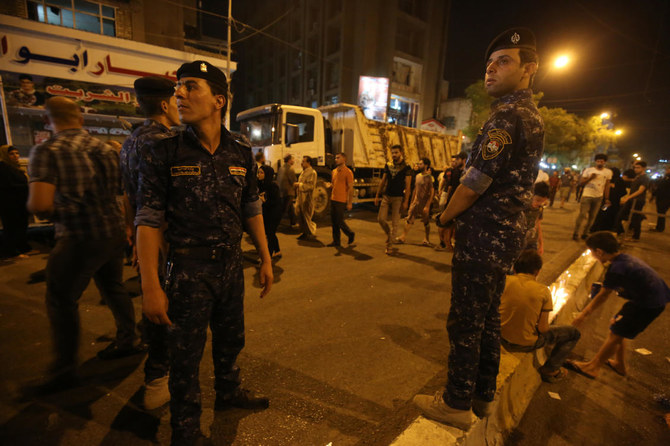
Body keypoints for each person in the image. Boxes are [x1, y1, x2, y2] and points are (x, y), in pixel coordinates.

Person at [135, 61, 273, 445]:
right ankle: (186, 429)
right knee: (186, 356)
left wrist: (264, 258)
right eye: (178, 88)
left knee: (231, 339)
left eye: (190, 87)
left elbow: (251, 206)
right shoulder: (163, 150)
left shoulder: (241, 149)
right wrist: (150, 286)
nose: (178, 94)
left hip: (230, 266)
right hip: (187, 270)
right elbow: (147, 219)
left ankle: (228, 392)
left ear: (218, 100)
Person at [414, 27, 543, 429]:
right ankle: (484, 395)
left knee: (466, 319)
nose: (491, 70)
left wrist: (444, 216)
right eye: (489, 64)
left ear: (529, 68)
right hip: (505, 236)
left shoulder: (507, 115)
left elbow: (474, 182)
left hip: (485, 234)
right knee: (487, 317)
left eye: (503, 61)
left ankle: (455, 403)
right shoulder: (529, 114)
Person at [26, 97, 141, 394]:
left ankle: (64, 370)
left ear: (48, 120)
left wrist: (52, 207)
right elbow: (121, 192)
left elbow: (39, 203)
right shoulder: (105, 149)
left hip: (78, 235)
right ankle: (129, 338)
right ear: (79, 117)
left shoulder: (47, 151)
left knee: (61, 300)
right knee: (112, 285)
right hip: (112, 230)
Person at [119, 75, 180, 410]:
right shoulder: (165, 142)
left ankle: (159, 374)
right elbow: (163, 204)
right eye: (175, 100)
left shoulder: (130, 142)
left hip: (145, 238)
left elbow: (128, 198)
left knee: (154, 299)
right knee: (164, 307)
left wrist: (134, 239)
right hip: (164, 239)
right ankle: (159, 376)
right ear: (163, 104)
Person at [568, 232, 669, 378]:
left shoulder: (617, 269)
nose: (593, 256)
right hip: (649, 300)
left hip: (647, 305)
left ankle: (593, 367)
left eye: (592, 253)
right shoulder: (624, 260)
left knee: (617, 333)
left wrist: (583, 315)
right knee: (617, 327)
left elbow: (603, 295)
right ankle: (620, 365)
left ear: (599, 252)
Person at [500, 250, 581, 382]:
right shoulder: (543, 291)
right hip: (524, 343)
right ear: (537, 271)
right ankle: (551, 369)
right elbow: (543, 329)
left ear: (514, 267)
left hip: (501, 337)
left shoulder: (504, 281)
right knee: (573, 333)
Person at [374, 144, 412, 254]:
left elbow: (408, 186)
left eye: (396, 152)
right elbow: (383, 181)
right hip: (386, 196)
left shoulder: (407, 167)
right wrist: (377, 195)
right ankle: (389, 234)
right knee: (380, 219)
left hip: (398, 198)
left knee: (395, 223)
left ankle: (390, 246)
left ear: (401, 153)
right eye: (393, 153)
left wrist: (406, 201)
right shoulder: (388, 165)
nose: (394, 155)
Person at [0, 145, 31, 258]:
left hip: (20, 202)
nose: (15, 156)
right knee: (12, 227)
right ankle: (11, 251)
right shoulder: (3, 167)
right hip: (10, 203)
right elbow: (8, 185)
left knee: (21, 225)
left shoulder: (15, 167)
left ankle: (21, 248)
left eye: (17, 153)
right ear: (5, 155)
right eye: (11, 154)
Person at [572, 154, 612, 241]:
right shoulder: (588, 170)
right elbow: (581, 183)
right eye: (598, 161)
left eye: (602, 161)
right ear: (595, 161)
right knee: (582, 214)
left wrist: (607, 198)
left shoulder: (608, 172)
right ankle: (576, 233)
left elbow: (607, 186)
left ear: (605, 162)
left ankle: (585, 233)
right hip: (587, 195)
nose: (600, 163)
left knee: (592, 216)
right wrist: (590, 178)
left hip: (598, 197)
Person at [396, 157, 434, 246]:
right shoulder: (417, 176)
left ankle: (426, 239)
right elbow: (415, 190)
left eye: (421, 164)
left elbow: (432, 191)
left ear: (426, 165)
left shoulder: (429, 178)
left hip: (424, 204)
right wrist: (411, 202)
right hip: (415, 203)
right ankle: (403, 237)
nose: (418, 165)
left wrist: (428, 205)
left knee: (426, 221)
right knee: (409, 219)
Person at [438, 151, 467, 251]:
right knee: (447, 223)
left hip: (461, 201)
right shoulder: (455, 171)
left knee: (456, 224)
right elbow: (450, 186)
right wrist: (447, 199)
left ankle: (453, 244)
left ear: (463, 160)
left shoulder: (466, 172)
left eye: (458, 159)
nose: (456, 162)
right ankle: (446, 243)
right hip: (452, 199)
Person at [615, 160, 649, 241]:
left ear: (644, 168)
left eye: (638, 168)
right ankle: (621, 231)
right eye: (635, 167)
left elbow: (640, 190)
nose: (636, 169)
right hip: (631, 200)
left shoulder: (645, 178)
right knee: (620, 216)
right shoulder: (637, 177)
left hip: (637, 201)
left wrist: (628, 197)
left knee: (635, 219)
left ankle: (636, 237)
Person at [327, 152, 355, 247]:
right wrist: (329, 185)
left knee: (339, 221)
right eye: (335, 158)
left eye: (338, 158)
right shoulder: (334, 171)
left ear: (344, 159)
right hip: (333, 199)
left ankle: (350, 233)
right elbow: (333, 184)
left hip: (341, 200)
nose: (336, 159)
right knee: (334, 222)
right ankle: (336, 241)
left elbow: (351, 188)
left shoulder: (348, 172)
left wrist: (349, 203)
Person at [258, 164, 283, 258]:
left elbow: (275, 202)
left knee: (270, 233)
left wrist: (265, 201)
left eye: (261, 173)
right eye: (258, 172)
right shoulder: (261, 184)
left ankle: (268, 256)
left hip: (275, 213)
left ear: (267, 174)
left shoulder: (273, 186)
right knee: (270, 232)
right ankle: (277, 250)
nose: (259, 174)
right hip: (267, 212)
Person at [589, 167, 625, 232]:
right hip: (607, 202)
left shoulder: (620, 181)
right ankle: (598, 228)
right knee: (602, 213)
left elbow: (623, 192)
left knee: (609, 215)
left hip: (613, 203)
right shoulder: (608, 180)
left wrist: (614, 190)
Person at [295, 155, 318, 240]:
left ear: (309, 163)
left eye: (304, 161)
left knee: (306, 216)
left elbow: (310, 186)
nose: (302, 163)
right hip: (301, 197)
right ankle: (305, 232)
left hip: (307, 198)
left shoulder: (312, 172)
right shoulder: (303, 172)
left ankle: (310, 231)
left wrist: (299, 185)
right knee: (300, 214)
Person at [523, 182, 549, 254]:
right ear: (531, 194)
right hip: (520, 242)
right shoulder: (522, 206)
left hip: (532, 243)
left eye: (542, 202)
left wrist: (541, 244)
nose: (539, 203)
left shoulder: (539, 209)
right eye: (538, 200)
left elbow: (538, 225)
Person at [277, 154, 298, 227]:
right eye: (292, 159)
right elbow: (293, 181)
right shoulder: (290, 169)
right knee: (284, 209)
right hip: (288, 192)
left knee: (290, 208)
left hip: (281, 191)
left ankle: (293, 222)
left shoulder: (281, 168)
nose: (293, 160)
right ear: (289, 160)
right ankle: (275, 223)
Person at [653, 166, 670, 232]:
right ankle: (659, 227)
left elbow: (663, 188)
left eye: (668, 170)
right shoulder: (665, 178)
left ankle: (660, 228)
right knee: (660, 212)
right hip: (660, 198)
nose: (667, 171)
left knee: (662, 212)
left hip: (666, 198)